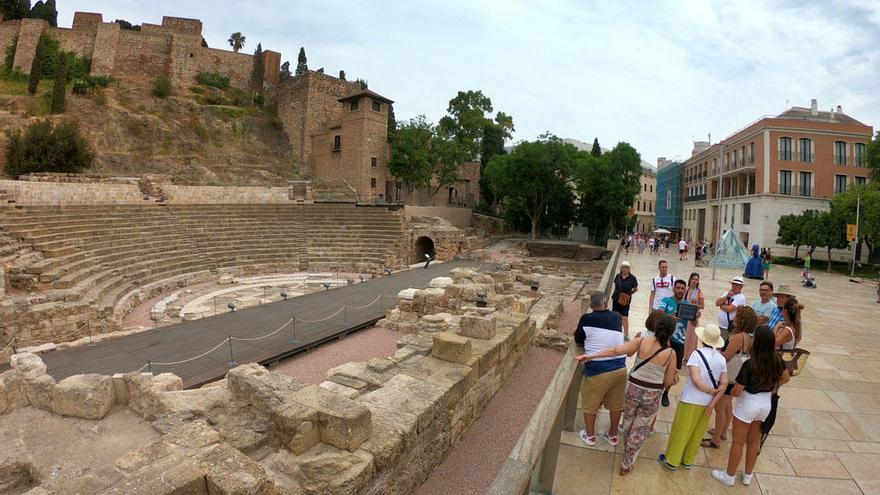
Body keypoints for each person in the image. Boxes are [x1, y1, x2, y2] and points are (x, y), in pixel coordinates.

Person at [575, 316, 678, 476]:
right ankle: (626, 462)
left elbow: (617, 350)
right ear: (671, 333)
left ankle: (628, 445)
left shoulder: (642, 341)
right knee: (641, 426)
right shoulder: (671, 354)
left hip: (633, 388)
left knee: (629, 421)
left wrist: (590, 356)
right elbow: (668, 382)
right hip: (652, 394)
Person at [712, 325, 790, 487]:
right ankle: (748, 475)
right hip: (765, 404)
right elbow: (786, 378)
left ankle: (729, 475)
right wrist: (773, 387)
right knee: (754, 442)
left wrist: (731, 392)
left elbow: (738, 389)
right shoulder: (777, 359)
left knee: (738, 442)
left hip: (748, 403)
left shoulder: (750, 363)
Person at [658, 324, 728, 471]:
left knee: (681, 429)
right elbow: (724, 383)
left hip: (690, 399)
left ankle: (672, 460)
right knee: (698, 432)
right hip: (707, 403)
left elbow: (696, 380)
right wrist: (713, 400)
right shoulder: (721, 359)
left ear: (703, 339)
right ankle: (688, 460)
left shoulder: (697, 355)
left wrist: (709, 390)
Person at [574, 291, 627, 447]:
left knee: (590, 404)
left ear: (591, 305)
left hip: (598, 370)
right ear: (606, 304)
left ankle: (590, 436)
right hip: (620, 368)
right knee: (616, 404)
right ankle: (613, 436)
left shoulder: (586, 318)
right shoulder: (617, 317)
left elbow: (578, 341)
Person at [704, 306, 758, 449]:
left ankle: (715, 440)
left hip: (728, 376)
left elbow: (726, 357)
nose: (733, 318)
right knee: (727, 406)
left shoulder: (737, 337)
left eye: (736, 315)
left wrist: (713, 355)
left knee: (719, 409)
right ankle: (722, 432)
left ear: (741, 319)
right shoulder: (748, 337)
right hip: (736, 377)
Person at [657, 279, 688, 407]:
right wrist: (670, 317)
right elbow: (659, 313)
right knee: (660, 366)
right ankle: (657, 388)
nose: (680, 290)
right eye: (678, 287)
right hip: (665, 339)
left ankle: (666, 393)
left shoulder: (688, 305)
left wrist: (696, 316)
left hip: (679, 342)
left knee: (673, 370)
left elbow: (693, 323)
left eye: (682, 288)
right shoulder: (666, 300)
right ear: (674, 289)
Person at [612, 261, 639, 340]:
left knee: (625, 317)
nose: (625, 269)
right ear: (621, 268)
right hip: (616, 299)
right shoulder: (618, 276)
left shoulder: (632, 278)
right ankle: (616, 332)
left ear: (629, 269)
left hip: (626, 300)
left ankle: (626, 334)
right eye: (623, 267)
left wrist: (629, 294)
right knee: (616, 316)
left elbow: (636, 289)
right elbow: (615, 285)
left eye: (626, 267)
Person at [715, 277, 746, 343]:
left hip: (729, 327)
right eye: (734, 284)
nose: (735, 286)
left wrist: (722, 306)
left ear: (741, 286)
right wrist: (727, 296)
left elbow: (729, 309)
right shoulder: (727, 293)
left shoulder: (741, 297)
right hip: (722, 326)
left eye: (738, 285)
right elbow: (717, 303)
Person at [683, 272, 705, 362]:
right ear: (690, 279)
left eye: (696, 279)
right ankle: (684, 355)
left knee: (692, 338)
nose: (695, 281)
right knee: (685, 336)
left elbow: (702, 305)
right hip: (685, 315)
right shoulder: (686, 290)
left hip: (693, 316)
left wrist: (694, 305)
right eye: (693, 279)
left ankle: (690, 357)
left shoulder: (699, 292)